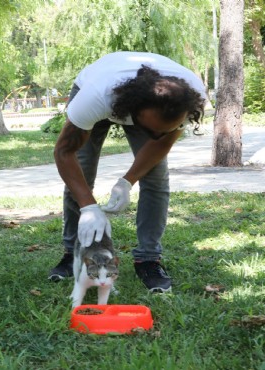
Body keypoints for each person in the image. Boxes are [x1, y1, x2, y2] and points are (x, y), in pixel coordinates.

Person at [49, 52, 206, 293]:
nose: (155, 136)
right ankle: (73, 252)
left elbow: (161, 143)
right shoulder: (96, 97)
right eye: (151, 130)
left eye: (165, 130)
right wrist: (89, 207)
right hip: (100, 88)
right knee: (81, 174)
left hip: (153, 108)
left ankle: (149, 259)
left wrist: (127, 181)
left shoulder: (189, 99)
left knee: (156, 178)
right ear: (132, 112)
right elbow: (64, 153)